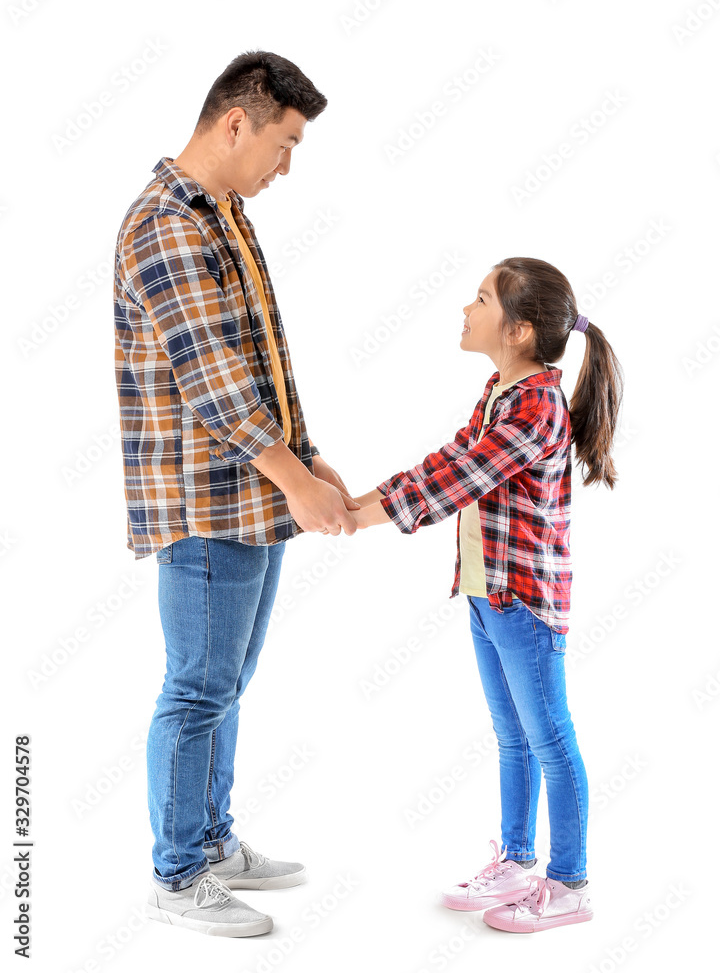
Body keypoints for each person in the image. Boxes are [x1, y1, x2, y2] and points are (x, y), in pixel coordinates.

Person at [113, 50, 360, 938]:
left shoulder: (226, 213)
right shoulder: (167, 226)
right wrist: (292, 477)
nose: (286, 164)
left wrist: (311, 457)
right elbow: (214, 380)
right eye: (285, 143)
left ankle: (211, 841)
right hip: (204, 505)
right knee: (196, 688)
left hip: (251, 496)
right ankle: (177, 875)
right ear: (235, 124)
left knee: (227, 683)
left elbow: (262, 360)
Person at [352, 257, 623, 934]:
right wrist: (365, 499)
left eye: (480, 299)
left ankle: (570, 883)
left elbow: (466, 475)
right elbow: (450, 456)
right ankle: (519, 859)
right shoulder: (499, 389)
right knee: (512, 738)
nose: (466, 308)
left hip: (524, 604)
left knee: (550, 739)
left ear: (521, 331)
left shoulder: (537, 406)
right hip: (485, 592)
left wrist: (363, 512)